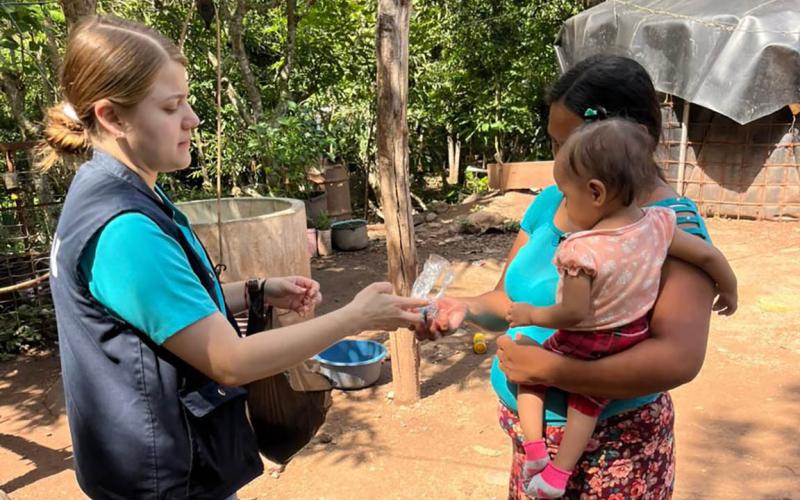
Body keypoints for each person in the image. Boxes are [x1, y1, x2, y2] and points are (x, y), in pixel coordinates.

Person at [40, 16, 427, 499]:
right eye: (171, 106)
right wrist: (357, 317)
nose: (192, 119)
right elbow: (230, 361)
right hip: (165, 478)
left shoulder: (105, 189)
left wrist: (253, 292)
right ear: (112, 117)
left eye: (186, 101)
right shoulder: (124, 231)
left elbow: (162, 310)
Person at [416, 54, 717, 498]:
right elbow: (508, 301)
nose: (559, 160)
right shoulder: (554, 200)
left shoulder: (666, 226)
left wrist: (552, 370)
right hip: (533, 450)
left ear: (622, 141)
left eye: (567, 143)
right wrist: (463, 308)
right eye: (555, 144)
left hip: (612, 456)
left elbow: (678, 358)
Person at [504, 117, 737, 498]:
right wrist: (730, 290)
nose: (564, 205)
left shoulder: (581, 249)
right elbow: (708, 257)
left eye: (567, 195)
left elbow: (573, 314)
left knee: (527, 368)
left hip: (586, 338)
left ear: (596, 192)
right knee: (587, 402)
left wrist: (531, 316)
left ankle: (535, 454)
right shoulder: (660, 224)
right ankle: (558, 475)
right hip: (628, 337)